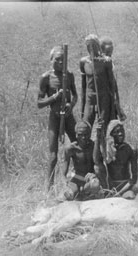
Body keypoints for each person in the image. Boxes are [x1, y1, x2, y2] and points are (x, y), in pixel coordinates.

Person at [37, 45, 78, 191]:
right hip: (54, 118)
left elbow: (75, 96)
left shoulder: (69, 75)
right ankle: (49, 189)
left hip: (68, 117)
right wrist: (55, 97)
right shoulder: (46, 78)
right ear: (51, 60)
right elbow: (39, 103)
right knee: (53, 155)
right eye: (57, 60)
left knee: (78, 146)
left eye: (63, 60)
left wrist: (70, 106)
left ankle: (80, 180)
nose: (61, 63)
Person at [79, 34, 118, 131]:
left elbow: (112, 85)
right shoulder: (83, 62)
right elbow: (83, 86)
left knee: (103, 128)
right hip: (90, 98)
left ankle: (102, 145)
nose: (91, 49)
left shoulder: (106, 62)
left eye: (93, 46)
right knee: (85, 127)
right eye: (88, 46)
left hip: (103, 98)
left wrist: (114, 107)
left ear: (98, 46)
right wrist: (82, 108)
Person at [94, 119, 138, 199]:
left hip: (124, 187)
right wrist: (98, 136)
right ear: (111, 134)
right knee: (97, 168)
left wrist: (119, 193)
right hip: (109, 187)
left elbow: (134, 178)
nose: (121, 134)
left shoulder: (130, 149)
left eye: (122, 131)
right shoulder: (107, 149)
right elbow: (96, 161)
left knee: (130, 196)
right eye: (117, 132)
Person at [60, 122, 101, 200]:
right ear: (76, 135)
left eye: (86, 134)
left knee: (95, 185)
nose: (83, 137)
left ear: (90, 134)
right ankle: (79, 193)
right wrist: (64, 183)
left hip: (89, 178)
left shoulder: (93, 146)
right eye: (80, 135)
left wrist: (94, 174)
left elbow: (99, 164)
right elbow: (64, 171)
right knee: (69, 194)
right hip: (77, 178)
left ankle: (84, 193)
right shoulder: (71, 149)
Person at [100, 36, 126, 122]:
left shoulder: (110, 62)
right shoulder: (99, 63)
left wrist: (118, 106)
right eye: (107, 51)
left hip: (112, 97)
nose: (109, 53)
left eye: (111, 51)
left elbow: (114, 86)